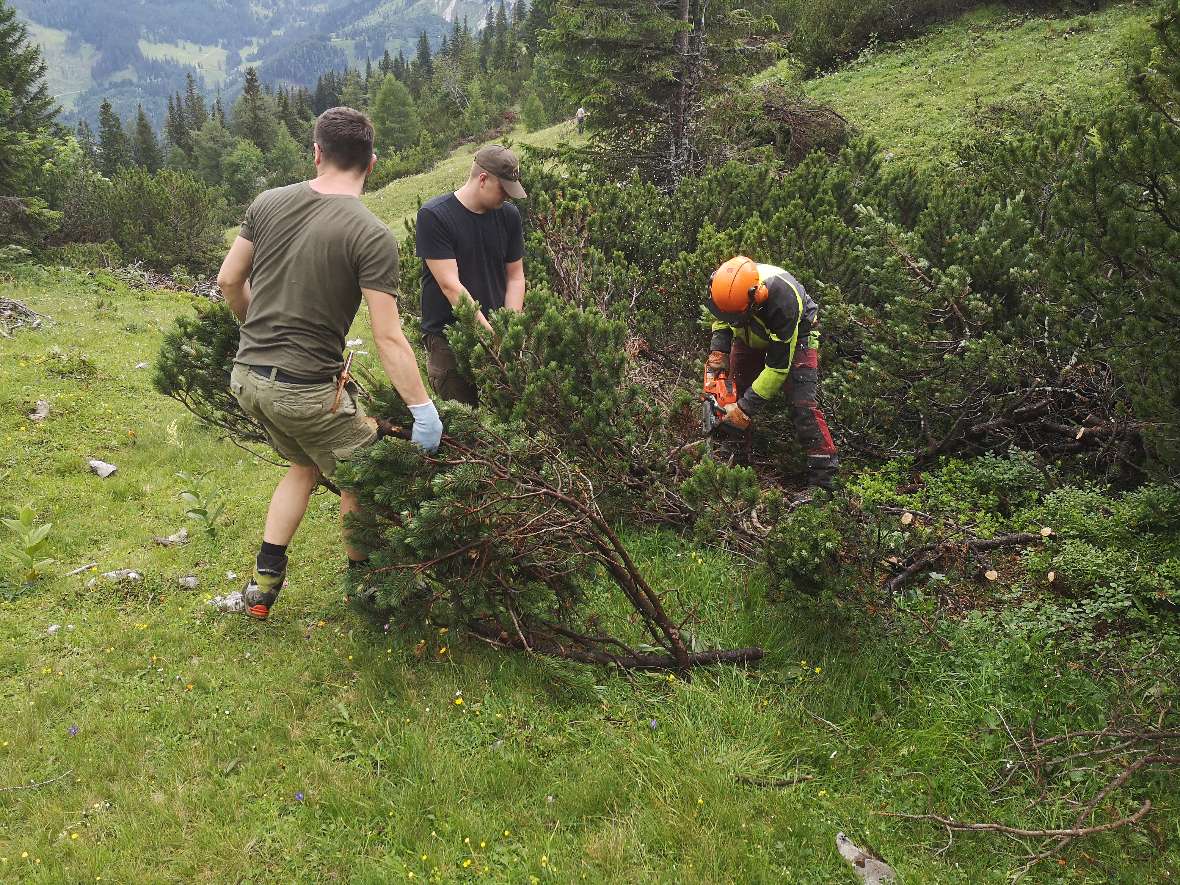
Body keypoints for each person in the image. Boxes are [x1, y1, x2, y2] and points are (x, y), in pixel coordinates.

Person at [216, 106, 443, 621]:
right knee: (360, 474)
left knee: (305, 462)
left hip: (247, 377)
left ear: (316, 153)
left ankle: (263, 585)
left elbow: (230, 280)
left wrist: (256, 330)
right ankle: (367, 590)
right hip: (304, 391)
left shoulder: (268, 202)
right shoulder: (372, 234)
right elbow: (388, 335)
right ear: (374, 162)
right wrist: (423, 409)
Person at [704, 256, 839, 491]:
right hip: (750, 331)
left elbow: (777, 368)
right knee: (735, 388)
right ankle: (735, 457)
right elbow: (722, 318)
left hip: (798, 336)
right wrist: (719, 351)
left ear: (756, 298)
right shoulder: (724, 287)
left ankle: (823, 479)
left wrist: (745, 410)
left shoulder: (783, 301)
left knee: (802, 404)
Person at [416, 144, 527, 405]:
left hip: (498, 332)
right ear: (483, 179)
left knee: (513, 418)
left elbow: (515, 276)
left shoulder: (509, 216)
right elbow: (449, 285)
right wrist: (493, 338)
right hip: (449, 339)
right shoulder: (434, 216)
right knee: (467, 426)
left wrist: (508, 330)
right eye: (503, 189)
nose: (508, 198)